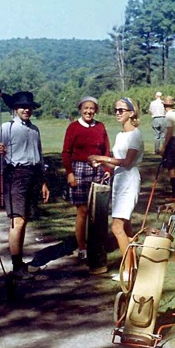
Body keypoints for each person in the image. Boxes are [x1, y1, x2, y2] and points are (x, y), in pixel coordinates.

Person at [0, 91, 50, 279]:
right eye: (22, 107)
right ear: (15, 109)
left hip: (33, 175)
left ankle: (20, 263)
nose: (26, 110)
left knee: (25, 220)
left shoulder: (34, 130)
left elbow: (39, 157)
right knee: (18, 221)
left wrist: (43, 181)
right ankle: (17, 267)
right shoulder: (7, 128)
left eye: (29, 107)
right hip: (15, 175)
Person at [88, 97, 144, 281]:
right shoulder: (120, 135)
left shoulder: (135, 135)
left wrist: (103, 158)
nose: (118, 113)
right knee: (126, 227)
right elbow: (117, 162)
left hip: (129, 180)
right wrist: (102, 164)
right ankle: (134, 266)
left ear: (131, 113)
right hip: (119, 180)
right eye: (116, 110)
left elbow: (127, 162)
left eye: (122, 110)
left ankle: (127, 271)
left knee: (117, 227)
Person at [61, 96, 111, 272]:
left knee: (98, 211)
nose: (89, 111)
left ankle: (96, 246)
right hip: (79, 170)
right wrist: (70, 173)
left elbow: (106, 150)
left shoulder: (100, 127)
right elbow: (66, 152)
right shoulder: (73, 127)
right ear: (80, 110)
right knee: (82, 210)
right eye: (86, 108)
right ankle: (82, 247)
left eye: (92, 108)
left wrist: (107, 169)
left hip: (98, 169)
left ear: (95, 110)